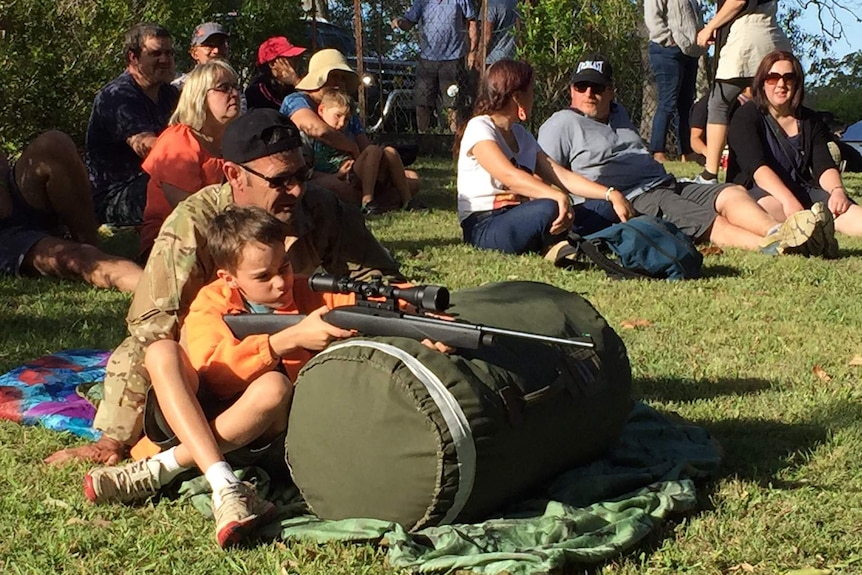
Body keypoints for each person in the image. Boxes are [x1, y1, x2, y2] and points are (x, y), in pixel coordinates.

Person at [44, 109, 404, 466]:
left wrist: (411, 320)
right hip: (207, 360)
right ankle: (167, 456)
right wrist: (113, 438)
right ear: (234, 175)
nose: (296, 190)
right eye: (279, 180)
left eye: (302, 174)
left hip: (292, 359)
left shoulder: (322, 208)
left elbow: (381, 281)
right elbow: (152, 328)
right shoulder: (193, 223)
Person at [84, 206, 356, 547]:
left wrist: (421, 319)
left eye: (284, 267)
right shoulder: (210, 301)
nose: (280, 282)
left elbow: (376, 304)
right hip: (191, 415)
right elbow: (216, 373)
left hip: (260, 439)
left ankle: (164, 468)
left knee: (273, 387)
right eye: (262, 276)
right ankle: (226, 483)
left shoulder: (308, 292)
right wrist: (285, 341)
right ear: (228, 277)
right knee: (161, 352)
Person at [537, 54, 831, 256]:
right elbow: (544, 175)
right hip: (635, 196)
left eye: (598, 86)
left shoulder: (618, 113)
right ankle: (771, 246)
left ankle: (782, 232)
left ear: (611, 91)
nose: (589, 92)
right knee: (701, 217)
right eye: (581, 86)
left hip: (666, 182)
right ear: (571, 89)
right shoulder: (560, 123)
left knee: (731, 193)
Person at [455, 59, 636, 257]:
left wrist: (610, 193)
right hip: (485, 225)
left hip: (526, 216)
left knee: (604, 207)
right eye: (531, 92)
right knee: (549, 207)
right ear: (517, 97)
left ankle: (559, 242)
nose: (534, 97)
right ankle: (560, 243)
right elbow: (510, 176)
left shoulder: (522, 135)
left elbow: (561, 176)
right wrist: (556, 196)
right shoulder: (479, 127)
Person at [727, 50, 862, 254]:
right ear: (762, 82)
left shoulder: (809, 120)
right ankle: (812, 235)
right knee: (776, 208)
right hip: (761, 193)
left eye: (788, 78)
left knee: (847, 212)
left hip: (804, 191)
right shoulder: (745, 117)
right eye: (772, 78)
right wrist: (788, 200)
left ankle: (812, 230)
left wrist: (837, 191)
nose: (781, 84)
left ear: (797, 83)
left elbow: (823, 165)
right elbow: (757, 168)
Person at [0, 132, 141, 292]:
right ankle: (159, 291)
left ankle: (88, 239)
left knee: (53, 143)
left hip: (14, 198)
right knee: (78, 257)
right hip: (6, 237)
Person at [280, 49, 421, 206]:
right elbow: (317, 129)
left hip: (353, 172)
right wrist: (351, 148)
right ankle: (374, 200)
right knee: (335, 187)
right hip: (317, 173)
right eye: (333, 76)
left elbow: (365, 148)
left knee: (412, 179)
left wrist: (371, 168)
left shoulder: (345, 108)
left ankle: (373, 198)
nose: (339, 83)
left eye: (342, 78)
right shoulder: (297, 101)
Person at [140, 59, 241, 259]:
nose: (235, 94)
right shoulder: (178, 141)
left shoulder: (233, 142)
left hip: (223, 237)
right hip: (172, 245)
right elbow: (189, 211)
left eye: (236, 87)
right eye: (224, 88)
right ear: (199, 96)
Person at [86, 23, 180, 227]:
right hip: (115, 196)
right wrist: (190, 156)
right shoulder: (117, 95)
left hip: (154, 181)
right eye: (156, 53)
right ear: (133, 57)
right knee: (181, 185)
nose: (164, 60)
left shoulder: (169, 94)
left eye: (169, 53)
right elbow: (145, 146)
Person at [694, 0, 790, 183]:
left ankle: (710, 173)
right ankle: (782, 166)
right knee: (772, 107)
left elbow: (737, 1)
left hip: (748, 37)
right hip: (771, 34)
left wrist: (709, 27)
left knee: (719, 104)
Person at [311, 88, 415, 213]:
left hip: (356, 173)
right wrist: (337, 175)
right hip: (339, 176)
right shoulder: (311, 137)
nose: (342, 123)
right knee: (373, 150)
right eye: (337, 116)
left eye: (347, 119)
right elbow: (308, 172)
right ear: (321, 110)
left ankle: (407, 201)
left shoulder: (348, 133)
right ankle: (367, 200)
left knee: (391, 153)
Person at [392, 0, 478, 133]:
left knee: (453, 104)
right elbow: (409, 22)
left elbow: (472, 22)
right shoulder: (422, 1)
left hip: (453, 58)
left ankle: (452, 138)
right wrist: (400, 23)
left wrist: (472, 51)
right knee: (422, 103)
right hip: (427, 59)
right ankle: (422, 136)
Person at [644, 0, 705, 163]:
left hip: (690, 51)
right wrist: (668, 40)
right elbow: (652, 17)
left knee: (686, 105)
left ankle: (687, 152)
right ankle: (658, 152)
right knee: (667, 102)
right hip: (667, 51)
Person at [245, 36, 306, 111]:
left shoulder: (289, 85)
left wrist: (296, 82)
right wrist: (294, 81)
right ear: (273, 64)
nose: (296, 62)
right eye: (290, 58)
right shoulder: (258, 91)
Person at [172, 22, 230, 90]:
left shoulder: (232, 85)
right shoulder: (180, 88)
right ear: (194, 53)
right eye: (210, 45)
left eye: (221, 44)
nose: (216, 50)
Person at [482, 0, 520, 66]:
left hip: (493, 58)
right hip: (512, 55)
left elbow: (487, 35)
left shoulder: (491, 4)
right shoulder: (515, 3)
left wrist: (480, 56)